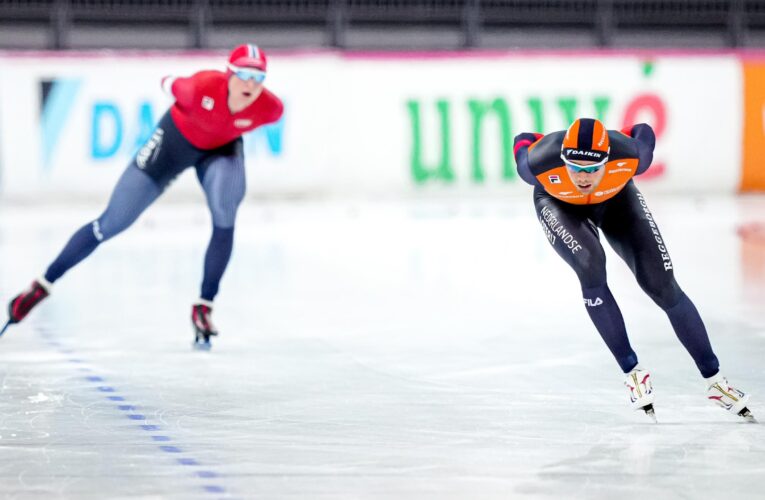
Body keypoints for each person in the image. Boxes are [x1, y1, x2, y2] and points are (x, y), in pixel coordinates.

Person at [2, 43, 283, 350]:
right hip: (172, 145)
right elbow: (167, 82)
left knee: (225, 213)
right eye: (243, 75)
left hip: (220, 150)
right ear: (229, 74)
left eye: (258, 78)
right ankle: (42, 285)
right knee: (111, 223)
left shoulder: (270, 108)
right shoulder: (199, 87)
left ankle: (204, 305)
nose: (250, 85)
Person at [513, 118, 754, 422]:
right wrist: (539, 140)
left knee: (663, 285)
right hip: (558, 204)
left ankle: (716, 381)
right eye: (574, 168)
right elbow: (522, 139)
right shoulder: (538, 163)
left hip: (617, 200)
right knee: (590, 264)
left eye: (592, 169)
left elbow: (643, 130)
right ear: (562, 159)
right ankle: (632, 372)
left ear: (608, 160)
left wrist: (623, 135)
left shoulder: (630, 156)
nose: (583, 178)